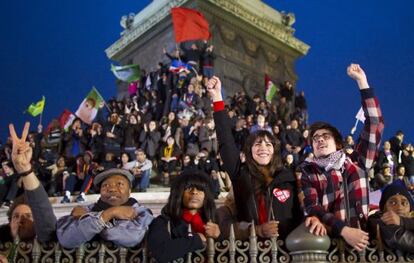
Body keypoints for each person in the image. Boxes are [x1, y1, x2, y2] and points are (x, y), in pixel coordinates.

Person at [207, 76, 324, 241]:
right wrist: (217, 97)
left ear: (275, 151)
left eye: (269, 145)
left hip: (286, 253)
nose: (263, 148)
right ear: (249, 151)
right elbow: (225, 141)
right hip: (251, 252)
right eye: (258, 144)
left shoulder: (290, 178)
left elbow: (306, 208)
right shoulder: (240, 175)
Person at [298, 64, 384, 251]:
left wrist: (362, 82)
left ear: (338, 144)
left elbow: (375, 124)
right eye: (315, 139)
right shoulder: (308, 171)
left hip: (364, 243)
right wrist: (344, 230)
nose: (319, 140)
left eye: (325, 136)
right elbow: (313, 207)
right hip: (330, 245)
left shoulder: (357, 161)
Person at [56, 168, 153, 248]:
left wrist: (90, 219)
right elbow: (66, 238)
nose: (112, 189)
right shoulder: (87, 208)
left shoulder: (142, 212)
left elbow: (132, 237)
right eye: (105, 185)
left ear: (129, 191)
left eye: (120, 184)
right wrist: (108, 214)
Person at [147, 170, 221, 262]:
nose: (194, 192)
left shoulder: (214, 221)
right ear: (179, 193)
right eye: (188, 188)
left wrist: (219, 237)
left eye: (200, 189)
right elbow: (160, 252)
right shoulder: (163, 221)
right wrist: (196, 240)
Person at [0, 122, 56, 244]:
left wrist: (25, 170)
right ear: (9, 224)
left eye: (28, 216)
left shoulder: (48, 249)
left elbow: (41, 207)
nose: (21, 220)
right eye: (16, 216)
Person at [367, 182, 414, 254]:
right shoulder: (375, 220)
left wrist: (402, 221)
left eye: (404, 203)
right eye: (393, 203)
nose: (399, 207)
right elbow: (396, 236)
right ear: (383, 208)